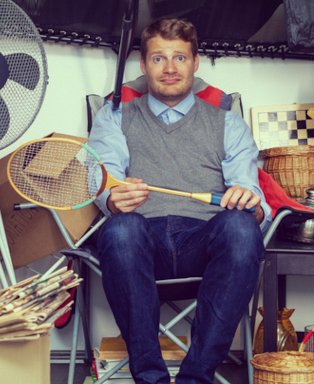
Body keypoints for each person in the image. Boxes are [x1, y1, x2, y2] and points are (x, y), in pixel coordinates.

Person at [87, 17, 272, 384]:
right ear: (143, 65)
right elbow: (102, 179)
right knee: (122, 229)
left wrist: (248, 202)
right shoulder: (114, 117)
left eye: (180, 58)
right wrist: (113, 198)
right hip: (139, 248)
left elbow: (255, 203)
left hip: (204, 244)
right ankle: (150, 378)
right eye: (158, 58)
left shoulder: (227, 124)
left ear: (195, 62)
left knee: (241, 226)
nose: (170, 68)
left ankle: (195, 377)